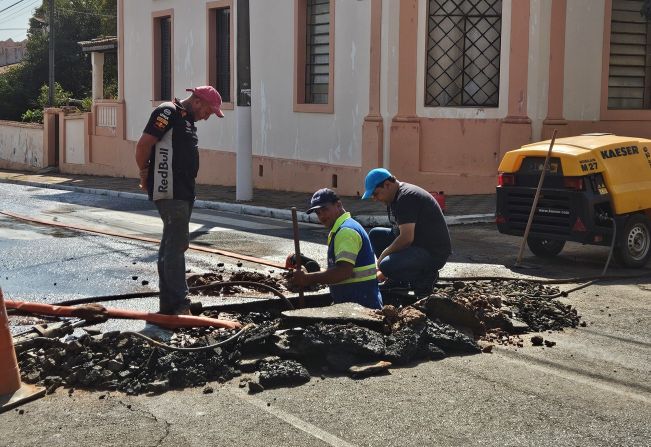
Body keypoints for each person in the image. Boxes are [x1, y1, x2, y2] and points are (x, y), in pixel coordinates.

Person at [135, 86, 224, 316]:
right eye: (208, 111)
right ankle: (179, 303)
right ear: (197, 101)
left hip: (182, 190)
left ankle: (169, 304)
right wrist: (145, 173)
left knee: (170, 247)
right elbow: (144, 144)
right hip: (170, 189)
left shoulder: (186, 120)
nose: (206, 117)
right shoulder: (168, 112)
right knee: (177, 246)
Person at [361, 168, 451, 296]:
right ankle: (398, 280)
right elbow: (401, 233)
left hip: (432, 252)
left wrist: (382, 258)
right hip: (417, 243)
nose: (375, 199)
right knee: (376, 234)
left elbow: (406, 238)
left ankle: (425, 276)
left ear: (387, 185)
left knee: (386, 265)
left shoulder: (406, 197)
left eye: (376, 194)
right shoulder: (395, 196)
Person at [288, 188, 383, 310]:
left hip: (361, 305)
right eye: (318, 213)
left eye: (324, 209)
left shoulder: (346, 232)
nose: (321, 216)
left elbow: (343, 272)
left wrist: (308, 279)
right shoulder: (341, 229)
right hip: (358, 304)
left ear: (338, 205)